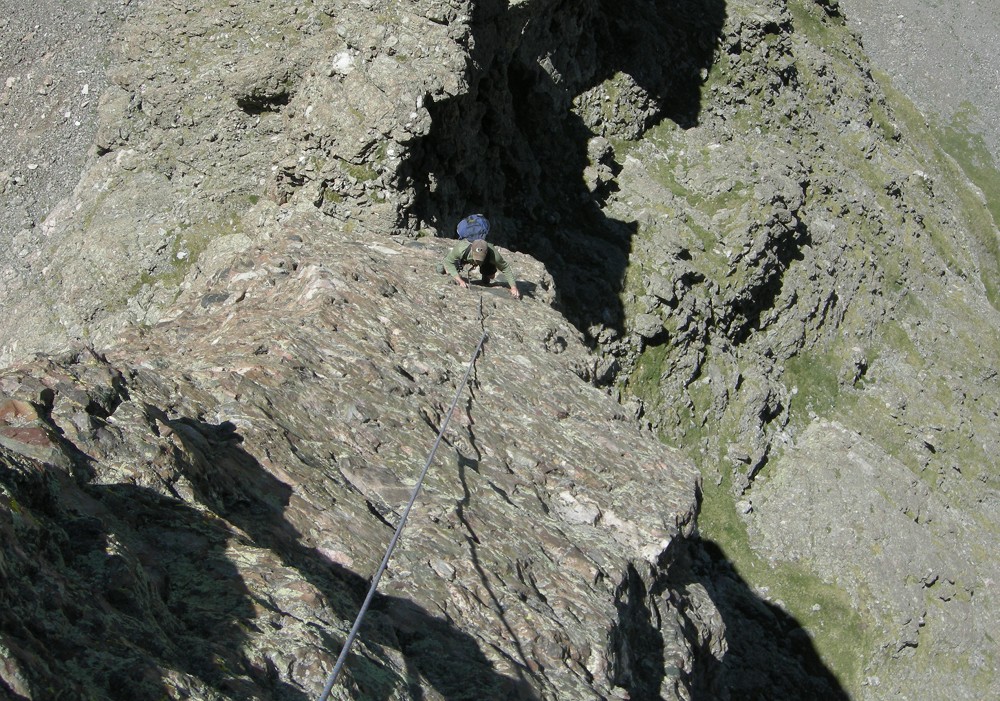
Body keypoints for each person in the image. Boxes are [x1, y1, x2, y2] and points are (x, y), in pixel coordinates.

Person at [440, 238, 521, 299]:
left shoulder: (493, 255)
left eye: (480, 257)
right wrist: (459, 280)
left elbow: (505, 268)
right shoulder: (461, 248)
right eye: (477, 257)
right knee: (442, 269)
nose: (478, 259)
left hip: (486, 261)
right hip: (465, 258)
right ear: (472, 249)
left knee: (490, 277)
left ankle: (485, 274)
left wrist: (513, 287)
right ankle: (442, 267)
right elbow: (448, 262)